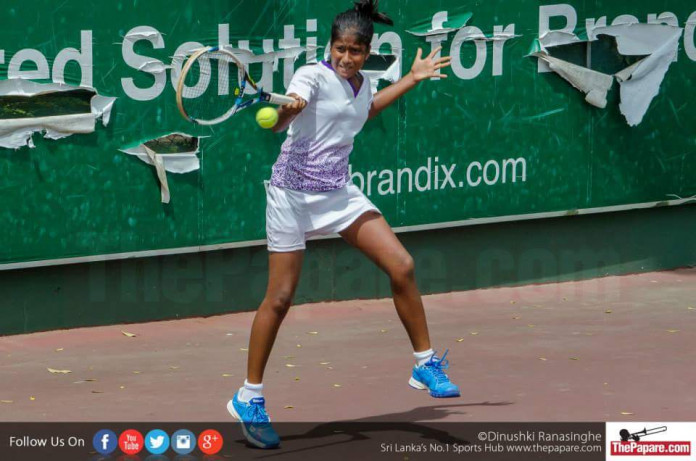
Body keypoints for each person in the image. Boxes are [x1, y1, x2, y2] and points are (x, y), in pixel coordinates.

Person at [227, 0, 458, 449]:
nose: (345, 58)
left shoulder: (362, 82)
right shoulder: (310, 76)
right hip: (291, 198)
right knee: (279, 299)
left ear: (366, 51)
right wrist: (290, 108)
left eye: (355, 51)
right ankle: (248, 397)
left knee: (402, 266)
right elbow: (281, 123)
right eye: (339, 49)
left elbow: (365, 111)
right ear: (329, 46)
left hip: (338, 194)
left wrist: (410, 79)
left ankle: (424, 362)